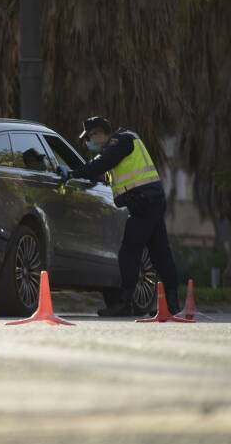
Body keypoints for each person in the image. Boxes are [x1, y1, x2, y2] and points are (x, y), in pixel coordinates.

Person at [56, 116, 180, 317]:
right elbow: (104, 174)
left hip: (143, 203)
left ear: (98, 133)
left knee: (129, 252)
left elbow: (100, 165)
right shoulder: (122, 144)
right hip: (151, 200)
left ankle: (125, 304)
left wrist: (71, 174)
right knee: (160, 253)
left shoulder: (121, 141)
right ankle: (173, 306)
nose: (90, 142)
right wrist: (85, 173)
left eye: (90, 137)